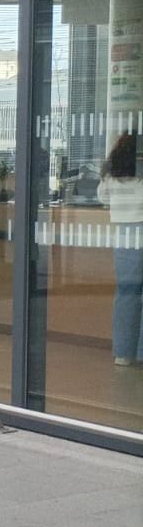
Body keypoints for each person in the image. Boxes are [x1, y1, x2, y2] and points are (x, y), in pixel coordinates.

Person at [98, 133, 142, 367]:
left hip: (124, 234)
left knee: (126, 293)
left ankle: (124, 352)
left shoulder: (112, 171)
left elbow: (102, 197)